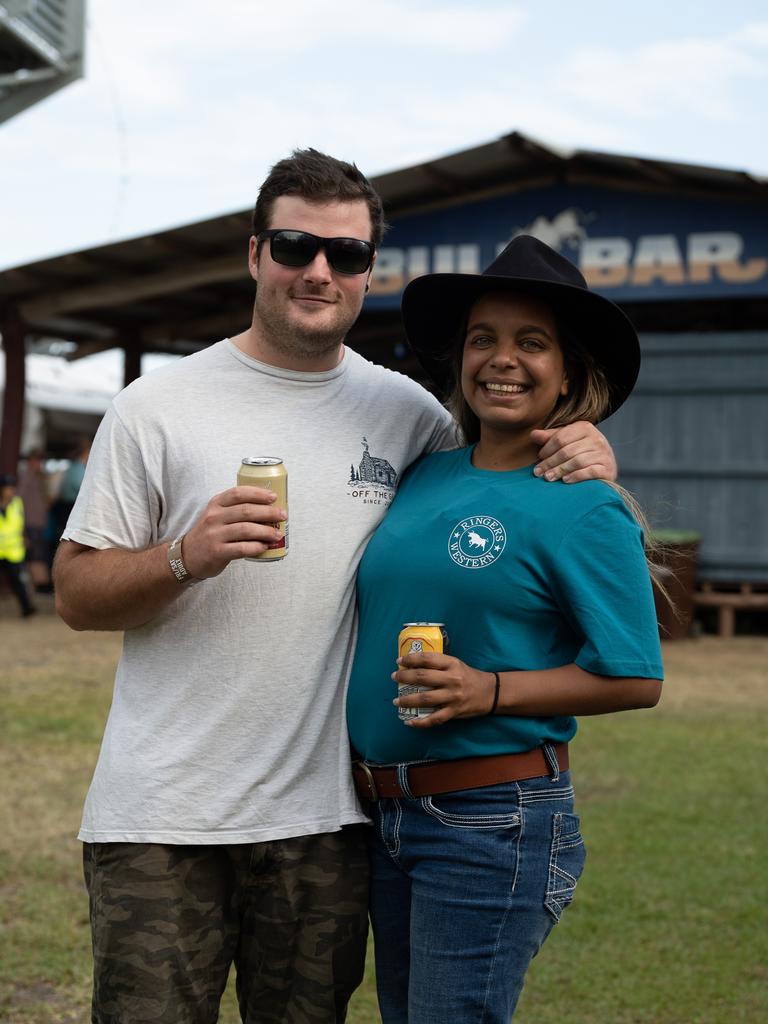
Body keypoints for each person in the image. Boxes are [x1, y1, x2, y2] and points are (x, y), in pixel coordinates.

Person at [53, 150, 619, 1024]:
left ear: (367, 273)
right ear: (255, 254)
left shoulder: (411, 415)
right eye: (294, 246)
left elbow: (502, 475)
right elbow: (76, 595)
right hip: (163, 818)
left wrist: (589, 450)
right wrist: (184, 555)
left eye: (345, 255)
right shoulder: (154, 406)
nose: (318, 271)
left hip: (332, 822)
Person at [347, 235, 664, 1023]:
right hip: (384, 814)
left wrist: (488, 690)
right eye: (483, 339)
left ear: (568, 372)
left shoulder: (584, 503)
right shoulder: (426, 471)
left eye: (532, 343)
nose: (503, 360)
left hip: (491, 820)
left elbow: (636, 676)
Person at [0, 474, 37, 617]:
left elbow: (21, 522)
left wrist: (24, 537)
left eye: (12, 488)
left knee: (19, 582)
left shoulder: (17, 503)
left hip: (14, 550)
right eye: (7, 488)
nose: (10, 491)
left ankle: (27, 609)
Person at [16, 448, 52, 592]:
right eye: (37, 460)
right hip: (31, 521)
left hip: (38, 522)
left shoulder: (38, 477)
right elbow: (19, 498)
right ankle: (40, 584)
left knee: (38, 553)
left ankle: (38, 584)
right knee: (35, 554)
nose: (39, 463)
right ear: (31, 461)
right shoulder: (27, 476)